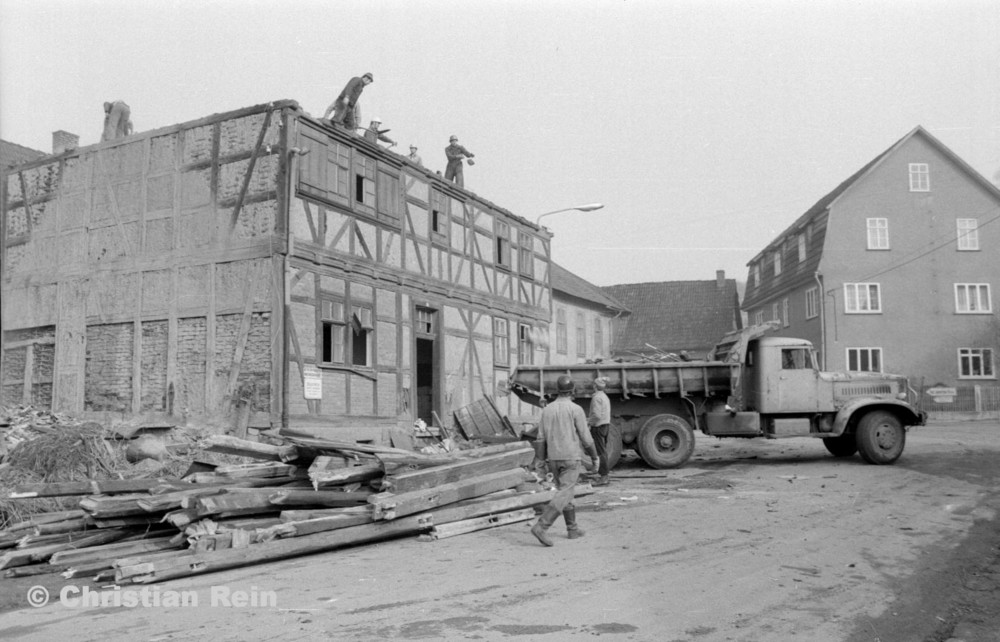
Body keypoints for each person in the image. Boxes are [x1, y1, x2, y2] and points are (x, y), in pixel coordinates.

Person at [530, 375, 600, 547]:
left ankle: (572, 529)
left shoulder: (547, 410)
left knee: (565, 491)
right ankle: (541, 526)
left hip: (553, 458)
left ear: (557, 391)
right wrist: (594, 456)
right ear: (572, 391)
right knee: (565, 492)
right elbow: (586, 437)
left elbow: (540, 438)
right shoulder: (576, 409)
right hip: (570, 457)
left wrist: (540, 462)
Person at [588, 377, 612, 486]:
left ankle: (604, 477)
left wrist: (589, 422)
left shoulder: (596, 398)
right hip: (605, 425)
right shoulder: (604, 397)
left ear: (595, 386)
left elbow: (596, 416)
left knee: (600, 452)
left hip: (598, 426)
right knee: (603, 451)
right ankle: (605, 475)